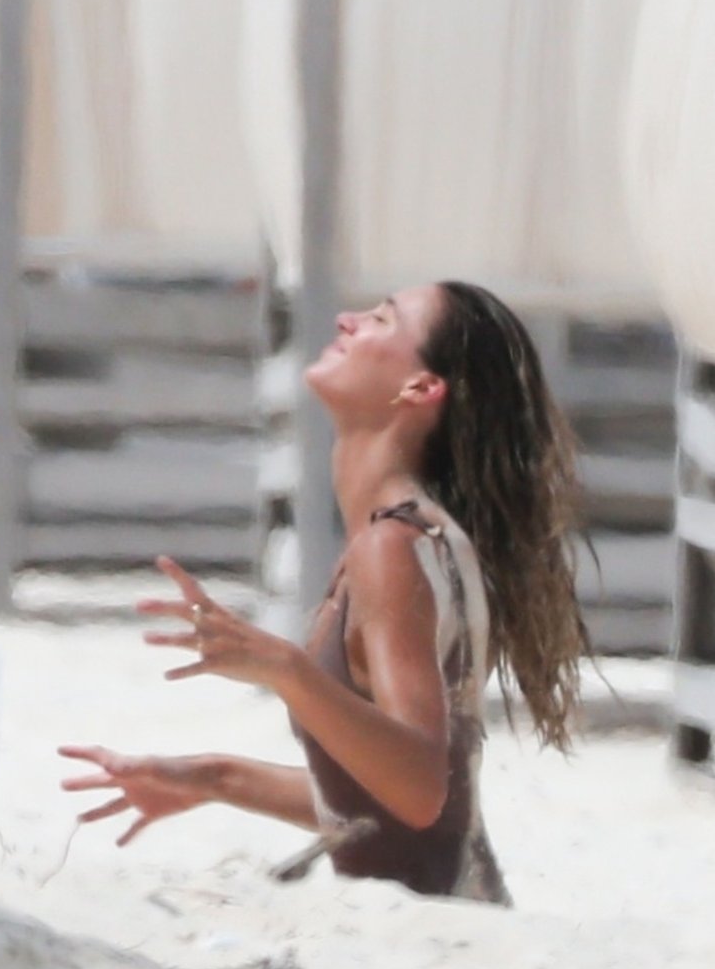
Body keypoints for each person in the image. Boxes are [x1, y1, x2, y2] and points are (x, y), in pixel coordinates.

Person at [59, 282, 590, 904]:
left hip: (432, 926)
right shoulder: (413, 537)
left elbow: (419, 789)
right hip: (458, 913)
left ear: (420, 389)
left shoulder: (393, 549)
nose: (346, 319)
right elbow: (390, 803)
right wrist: (212, 778)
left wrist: (285, 668)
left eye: (381, 320)